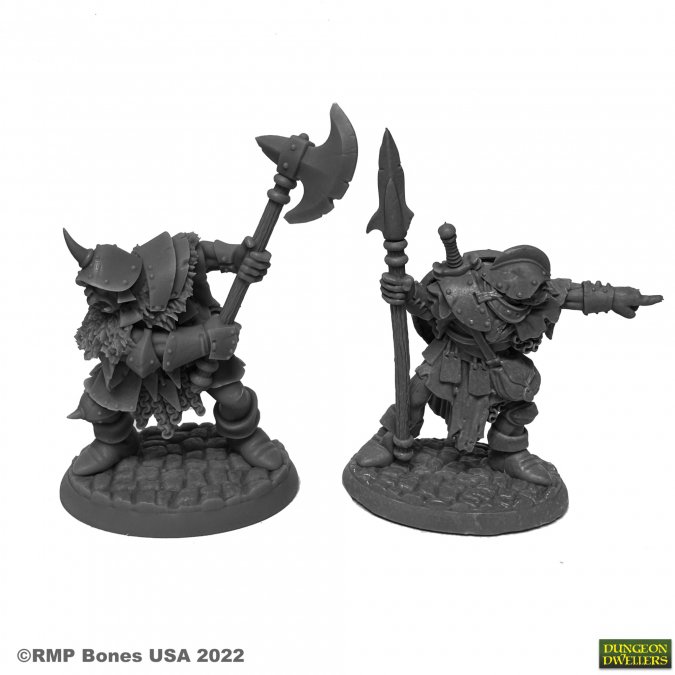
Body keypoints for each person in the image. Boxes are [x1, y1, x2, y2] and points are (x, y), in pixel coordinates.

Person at [356, 227, 662, 485]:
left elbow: (573, 294)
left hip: (499, 362)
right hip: (451, 355)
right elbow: (426, 305)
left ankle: (508, 453)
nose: (536, 298)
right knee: (414, 394)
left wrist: (616, 296)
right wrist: (405, 291)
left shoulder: (538, 294)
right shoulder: (460, 289)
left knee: (522, 399)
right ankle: (389, 439)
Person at [64, 228, 282, 476]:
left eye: (98, 290)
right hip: (147, 369)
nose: (91, 298)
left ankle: (244, 436)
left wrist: (236, 256)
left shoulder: (159, 266)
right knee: (96, 406)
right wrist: (206, 338)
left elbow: (200, 255)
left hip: (202, 354)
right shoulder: (104, 325)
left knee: (234, 398)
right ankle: (115, 443)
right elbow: (145, 355)